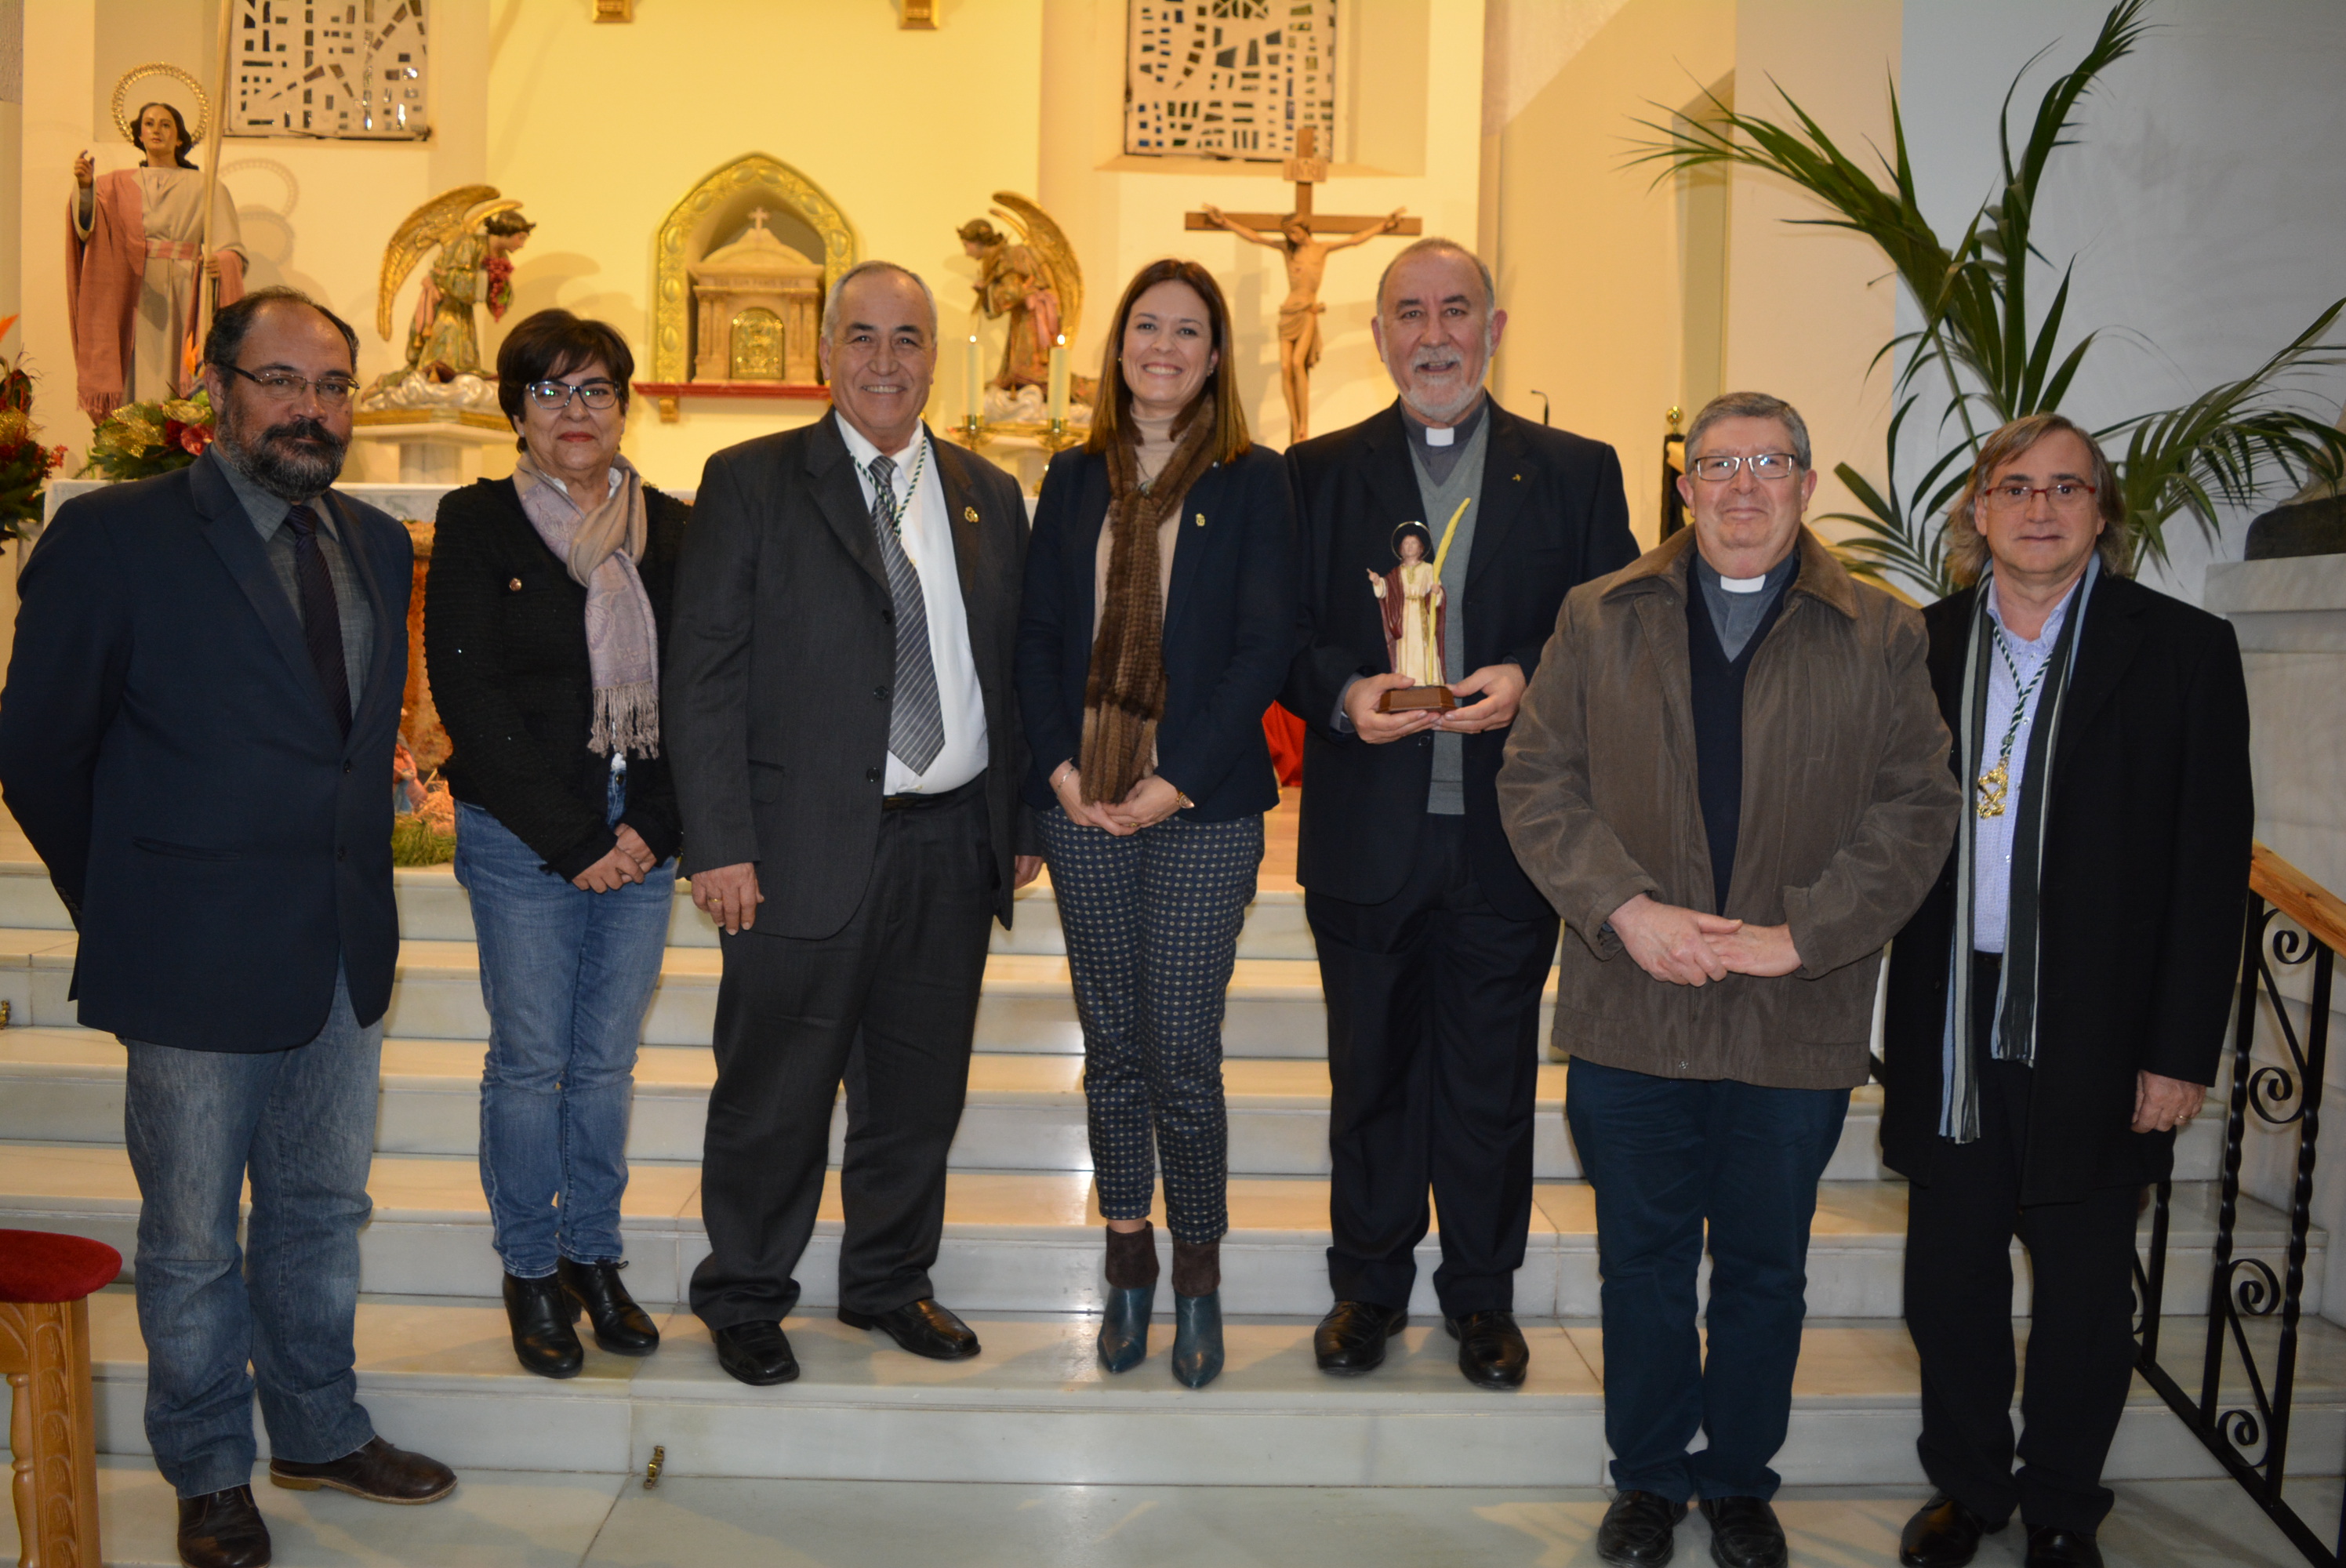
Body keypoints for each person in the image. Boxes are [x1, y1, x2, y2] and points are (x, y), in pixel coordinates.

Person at [0, 287, 456, 1568]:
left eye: (332, 385)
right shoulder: (118, 537)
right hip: (188, 950)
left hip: (338, 948)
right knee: (193, 1235)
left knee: (318, 1208)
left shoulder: (371, 541)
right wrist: (130, 904)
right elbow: (38, 748)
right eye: (280, 379)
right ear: (217, 392)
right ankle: (208, 1471)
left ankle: (316, 1424)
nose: (310, 408)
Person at [1498, 390, 1962, 1568]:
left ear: (1808, 484)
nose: (1743, 484)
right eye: (1718, 464)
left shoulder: (1881, 632)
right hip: (1632, 1003)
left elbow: (1917, 809)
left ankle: (1742, 1480)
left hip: (1792, 1016)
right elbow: (1537, 778)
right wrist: (1625, 910)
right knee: (1642, 1266)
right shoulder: (1601, 616)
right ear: (1686, 485)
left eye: (1771, 462)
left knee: (1766, 1268)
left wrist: (1806, 935)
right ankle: (1650, 1478)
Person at [1879, 415, 2251, 1568]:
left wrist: (2181, 1050)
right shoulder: (1916, 648)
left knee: (2089, 1293)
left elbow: (2209, 863)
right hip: (1951, 1016)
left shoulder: (2182, 649)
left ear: (2103, 513)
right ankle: (1970, 1487)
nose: (2041, 509)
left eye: (2069, 489)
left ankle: (2059, 1506)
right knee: (1951, 1278)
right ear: (1977, 512)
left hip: (2102, 1025)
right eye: (2016, 487)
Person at [666, 260, 1040, 1387]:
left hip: (948, 838)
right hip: (794, 846)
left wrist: (1014, 817)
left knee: (917, 1090)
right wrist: (721, 841)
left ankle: (888, 1281)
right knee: (774, 1090)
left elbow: (1007, 670)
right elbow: (705, 677)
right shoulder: (751, 481)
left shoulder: (989, 493)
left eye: (909, 339)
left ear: (937, 354)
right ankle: (743, 1293)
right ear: (826, 352)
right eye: (864, 338)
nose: (886, 361)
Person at [1283, 237, 1637, 1390]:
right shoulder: (1317, 472)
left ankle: (1482, 1299)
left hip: (1508, 837)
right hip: (1366, 838)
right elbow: (1278, 636)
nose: (1432, 334)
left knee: (1490, 1083)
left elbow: (1611, 625)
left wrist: (1531, 676)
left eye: (1456, 310)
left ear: (1494, 328)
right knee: (1371, 1074)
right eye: (1408, 313)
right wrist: (1344, 693)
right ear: (1379, 334)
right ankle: (1368, 1289)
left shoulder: (1577, 471)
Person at [1015, 258, 1295, 1388]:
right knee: (1113, 1045)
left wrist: (1174, 778)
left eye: (1188, 331)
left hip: (1204, 804)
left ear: (1217, 355)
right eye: (1146, 327)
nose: (1164, 348)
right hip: (1085, 795)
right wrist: (1061, 769)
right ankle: (1126, 1249)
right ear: (1117, 346)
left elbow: (1263, 645)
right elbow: (1037, 637)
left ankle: (1197, 1271)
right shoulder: (1075, 479)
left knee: (1182, 1051)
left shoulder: (1254, 479)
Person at [424, 310, 688, 1380]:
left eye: (595, 391)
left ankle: (594, 1255)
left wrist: (653, 829)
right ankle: (531, 1269)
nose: (574, 412)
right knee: (533, 1062)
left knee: (607, 1062)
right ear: (517, 411)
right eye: (550, 391)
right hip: (524, 837)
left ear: (625, 407)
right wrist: (581, 839)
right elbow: (469, 694)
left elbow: (704, 689)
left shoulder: (671, 526)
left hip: (643, 837)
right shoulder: (478, 522)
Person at [68, 100, 246, 417]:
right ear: (138, 134)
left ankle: (180, 433)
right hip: (133, 289)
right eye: (149, 123)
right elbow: (87, 232)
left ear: (179, 138)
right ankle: (131, 435)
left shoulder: (206, 186)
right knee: (135, 364)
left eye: (166, 124)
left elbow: (230, 246)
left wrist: (224, 260)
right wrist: (85, 189)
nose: (156, 130)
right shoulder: (112, 185)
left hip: (184, 289)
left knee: (183, 362)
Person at [1197, 203, 1405, 441]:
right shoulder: (1288, 251)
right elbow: (1255, 238)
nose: (1292, 237)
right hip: (1289, 311)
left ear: (1304, 229)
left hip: (1307, 311)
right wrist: (1224, 222)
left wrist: (1383, 226)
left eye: (1294, 232)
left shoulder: (1321, 249)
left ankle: (1303, 425)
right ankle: (1295, 423)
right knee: (1285, 367)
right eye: (1288, 234)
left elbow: (1355, 240)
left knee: (1297, 363)